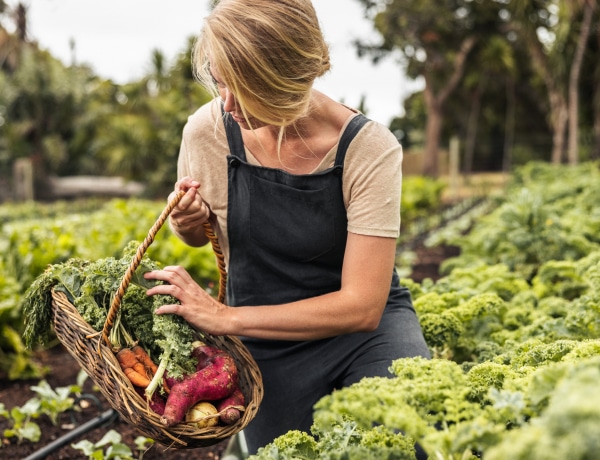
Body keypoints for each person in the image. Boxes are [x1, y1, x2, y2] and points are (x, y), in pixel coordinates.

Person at [144, 0, 431, 455]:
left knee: (399, 443)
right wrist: (188, 221)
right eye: (220, 82)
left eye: (246, 87)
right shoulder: (207, 132)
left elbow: (363, 306)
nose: (228, 103)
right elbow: (199, 236)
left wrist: (223, 318)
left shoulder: (367, 148)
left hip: (360, 337)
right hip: (267, 345)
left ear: (287, 79)